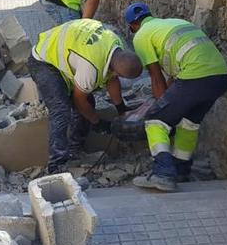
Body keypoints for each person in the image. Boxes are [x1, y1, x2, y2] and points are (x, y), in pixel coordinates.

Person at [124, 2, 227, 192]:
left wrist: (160, 109)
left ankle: (163, 173)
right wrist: (168, 105)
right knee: (189, 123)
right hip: (220, 77)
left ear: (133, 25)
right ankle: (181, 169)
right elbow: (174, 79)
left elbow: (156, 78)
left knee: (155, 120)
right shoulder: (173, 23)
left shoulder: (141, 36)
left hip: (195, 76)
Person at [27, 19, 143, 174]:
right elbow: (79, 100)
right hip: (43, 60)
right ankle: (57, 164)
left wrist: (121, 109)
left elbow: (112, 79)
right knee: (61, 110)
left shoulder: (115, 45)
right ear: (116, 69)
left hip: (67, 48)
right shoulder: (91, 68)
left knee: (89, 102)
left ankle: (75, 149)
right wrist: (97, 122)